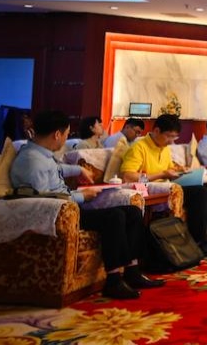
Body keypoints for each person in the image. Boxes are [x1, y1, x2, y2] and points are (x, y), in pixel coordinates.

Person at [9, 110, 164, 299]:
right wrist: (82, 196)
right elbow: (45, 200)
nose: (65, 139)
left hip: (69, 207)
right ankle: (114, 280)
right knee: (114, 217)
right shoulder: (32, 162)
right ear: (57, 134)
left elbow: (56, 169)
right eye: (66, 135)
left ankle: (132, 271)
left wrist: (79, 169)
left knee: (132, 212)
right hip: (57, 215)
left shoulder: (40, 154)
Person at [120, 114, 207, 260]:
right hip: (154, 189)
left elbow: (169, 168)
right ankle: (198, 242)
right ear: (156, 131)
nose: (171, 141)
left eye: (174, 137)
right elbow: (127, 176)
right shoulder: (139, 147)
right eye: (169, 136)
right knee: (200, 192)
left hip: (169, 185)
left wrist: (180, 169)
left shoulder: (164, 147)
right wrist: (162, 173)